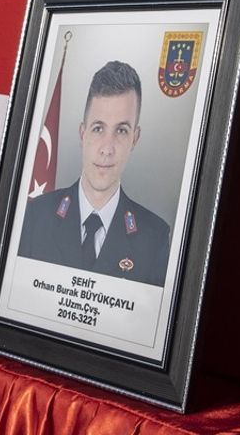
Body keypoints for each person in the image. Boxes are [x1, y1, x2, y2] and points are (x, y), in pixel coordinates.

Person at [18, 60, 172, 287]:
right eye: (98, 128)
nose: (107, 149)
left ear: (135, 139)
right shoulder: (35, 216)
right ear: (82, 134)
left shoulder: (154, 237)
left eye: (121, 130)